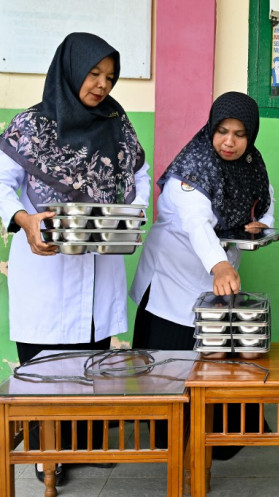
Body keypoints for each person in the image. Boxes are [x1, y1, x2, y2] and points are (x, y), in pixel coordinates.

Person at [0, 32, 150, 486]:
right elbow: (2, 184)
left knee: (92, 361)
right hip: (44, 263)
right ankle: (49, 455)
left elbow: (139, 176)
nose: (102, 85)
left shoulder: (116, 123)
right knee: (45, 368)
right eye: (93, 73)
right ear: (70, 70)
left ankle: (82, 444)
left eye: (109, 77)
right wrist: (24, 220)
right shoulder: (30, 125)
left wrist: (132, 213)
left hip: (100, 256)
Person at [129, 91, 274, 458]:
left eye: (240, 134)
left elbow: (265, 205)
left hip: (214, 284)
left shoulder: (253, 166)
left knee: (216, 361)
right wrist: (220, 264)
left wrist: (258, 226)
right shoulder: (190, 172)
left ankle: (222, 436)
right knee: (171, 370)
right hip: (171, 283)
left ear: (251, 136)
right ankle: (173, 439)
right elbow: (197, 224)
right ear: (210, 129)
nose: (230, 141)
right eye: (222, 130)